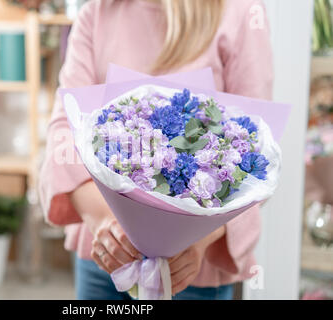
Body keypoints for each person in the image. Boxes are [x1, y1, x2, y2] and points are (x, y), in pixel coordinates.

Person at [38, 0, 273, 300]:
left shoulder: (240, 12)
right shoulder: (97, 12)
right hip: (105, 260)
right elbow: (64, 128)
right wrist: (106, 226)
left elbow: (258, 149)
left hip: (189, 273)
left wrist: (197, 242)